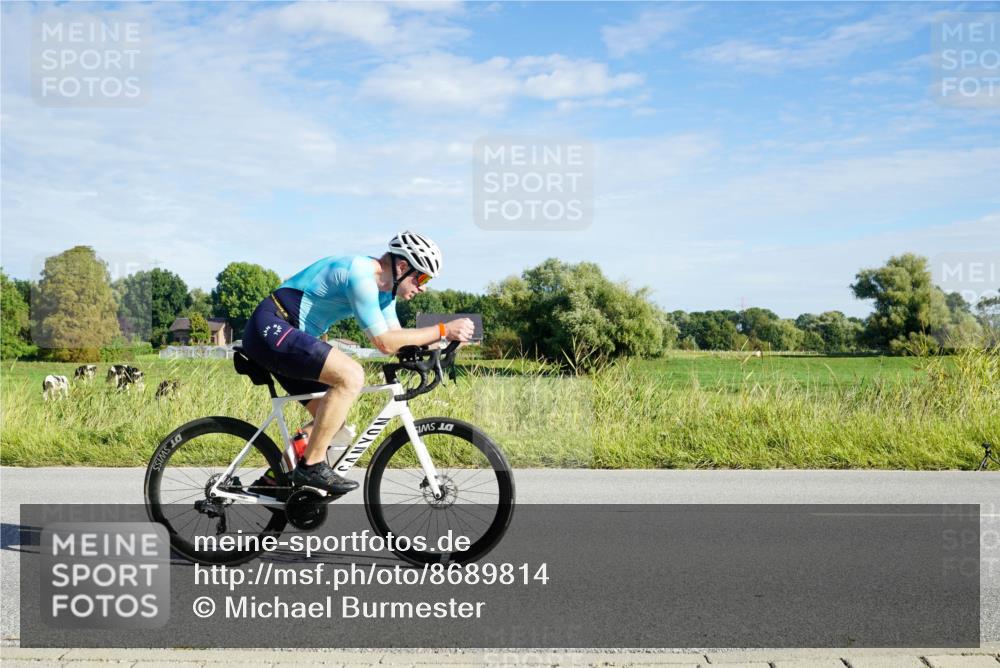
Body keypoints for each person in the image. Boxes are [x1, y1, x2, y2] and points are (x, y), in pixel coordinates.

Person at [240, 231, 475, 494]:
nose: (423, 287)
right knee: (351, 375)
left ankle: (273, 482)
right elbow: (384, 342)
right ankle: (311, 466)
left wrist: (443, 344)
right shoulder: (361, 275)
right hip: (272, 326)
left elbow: (398, 341)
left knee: (332, 425)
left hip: (291, 336)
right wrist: (443, 329)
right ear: (401, 266)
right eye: (422, 277)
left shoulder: (385, 294)